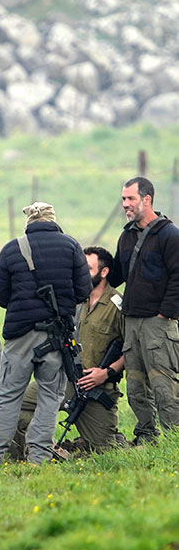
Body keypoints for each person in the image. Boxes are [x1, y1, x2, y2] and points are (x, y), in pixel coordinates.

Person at [0, 202, 91, 468]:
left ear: (29, 222)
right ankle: (38, 459)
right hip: (57, 338)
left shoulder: (11, 249)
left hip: (20, 336)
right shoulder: (72, 246)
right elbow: (83, 291)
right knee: (50, 398)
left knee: (7, 396)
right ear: (53, 220)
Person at [11, 246, 126, 456]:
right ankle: (42, 449)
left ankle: (116, 440)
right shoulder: (75, 302)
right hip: (65, 380)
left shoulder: (117, 306)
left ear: (104, 272)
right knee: (15, 404)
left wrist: (106, 373)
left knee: (105, 451)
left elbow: (133, 349)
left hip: (97, 389)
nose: (81, 273)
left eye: (88, 268)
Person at [108, 176, 179, 445]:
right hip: (132, 322)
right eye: (123, 199)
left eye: (130, 199)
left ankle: (174, 441)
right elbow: (115, 275)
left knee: (164, 386)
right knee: (136, 386)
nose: (125, 204)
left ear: (146, 199)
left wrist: (166, 313)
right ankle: (146, 438)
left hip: (158, 324)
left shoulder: (169, 235)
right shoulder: (126, 236)